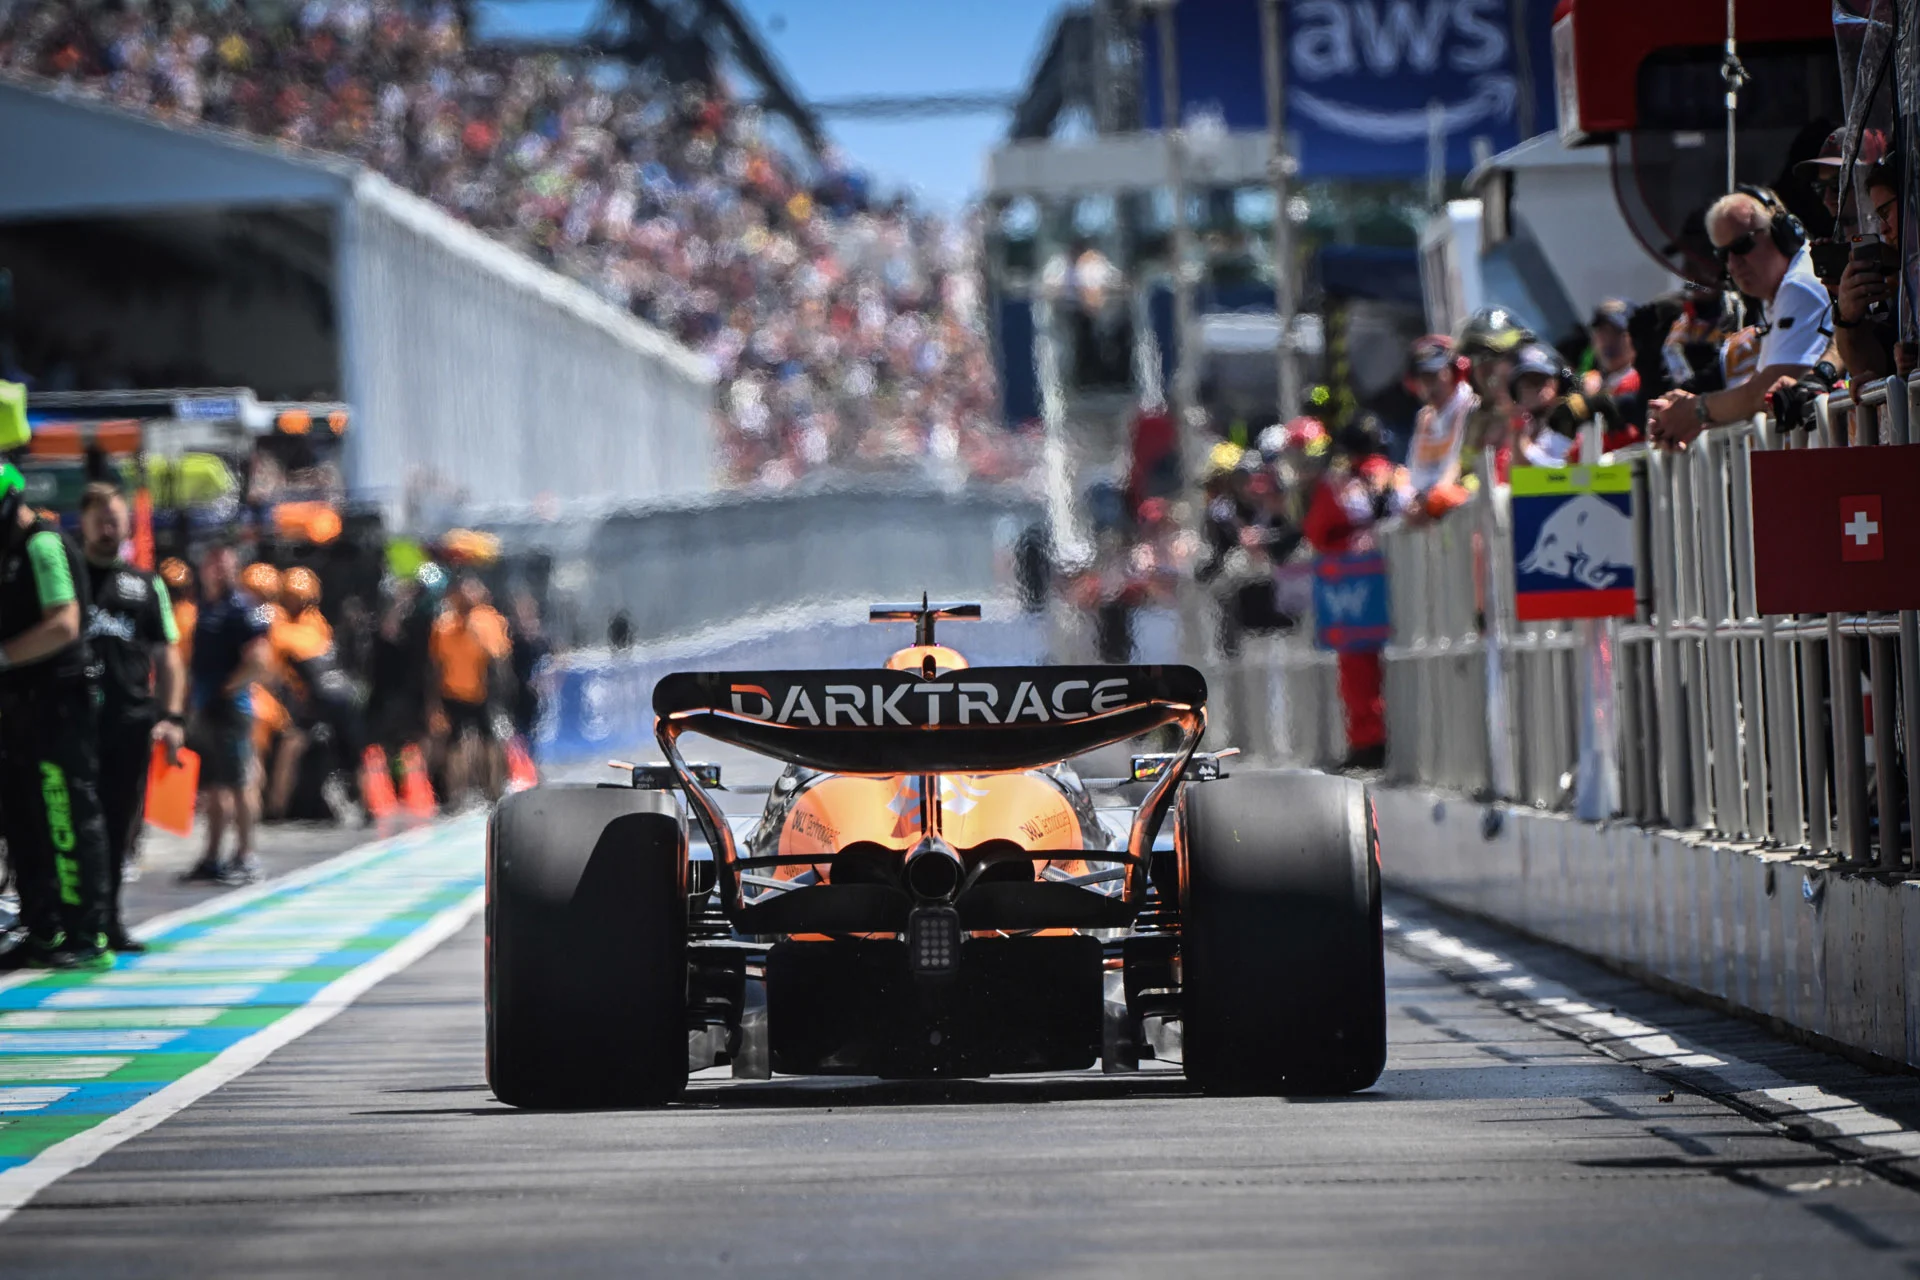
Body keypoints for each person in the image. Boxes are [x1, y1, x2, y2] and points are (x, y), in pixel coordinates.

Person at [0, 463, 113, 970]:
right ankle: (42, 926)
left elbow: (64, 624)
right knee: (22, 818)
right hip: (18, 705)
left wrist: (3, 656)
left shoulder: (42, 544)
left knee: (65, 813)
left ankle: (86, 932)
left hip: (57, 701)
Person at [80, 484, 185, 951]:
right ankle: (72, 918)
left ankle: (109, 919)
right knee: (81, 822)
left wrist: (173, 716)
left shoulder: (145, 585)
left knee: (121, 822)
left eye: (116, 518)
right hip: (72, 721)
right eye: (100, 518)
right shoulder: (68, 576)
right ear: (83, 522)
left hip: (129, 721)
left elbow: (169, 657)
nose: (109, 526)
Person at [1648, 189, 1831, 449]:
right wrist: (1691, 418)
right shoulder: (1780, 292)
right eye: (1723, 255)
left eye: (1742, 246)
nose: (1733, 264)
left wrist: (1694, 411)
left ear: (1782, 234)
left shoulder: (1798, 286)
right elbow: (1756, 390)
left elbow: (1764, 391)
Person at [1303, 418, 1404, 773]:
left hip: (1358, 588)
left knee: (1358, 668)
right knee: (1411, 663)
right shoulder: (1400, 476)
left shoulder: (1339, 485)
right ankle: (1398, 743)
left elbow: (1316, 530)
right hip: (1409, 585)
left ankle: (1368, 743)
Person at [184, 542, 273, 884]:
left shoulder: (241, 608)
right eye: (212, 561)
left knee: (239, 783)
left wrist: (228, 688)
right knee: (213, 787)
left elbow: (260, 660)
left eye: (223, 562)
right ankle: (212, 856)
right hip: (205, 707)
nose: (217, 569)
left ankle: (247, 854)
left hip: (231, 709)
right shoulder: (206, 606)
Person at [430, 576, 511, 805]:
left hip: (483, 692)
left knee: (490, 741)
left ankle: (494, 790)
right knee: (455, 744)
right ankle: (456, 793)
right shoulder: (444, 626)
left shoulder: (489, 621)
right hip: (453, 692)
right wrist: (434, 701)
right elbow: (436, 665)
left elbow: (500, 658)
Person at [1833, 155, 1905, 385]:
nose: (1883, 229)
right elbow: (1873, 367)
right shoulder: (1902, 287)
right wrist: (1848, 318)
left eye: (1886, 213)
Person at [1403, 334, 1476, 517]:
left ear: (1455, 372)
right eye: (1423, 378)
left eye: (1434, 376)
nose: (1429, 386)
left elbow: (1458, 465)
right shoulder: (1425, 418)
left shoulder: (1471, 407)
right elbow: (1416, 475)